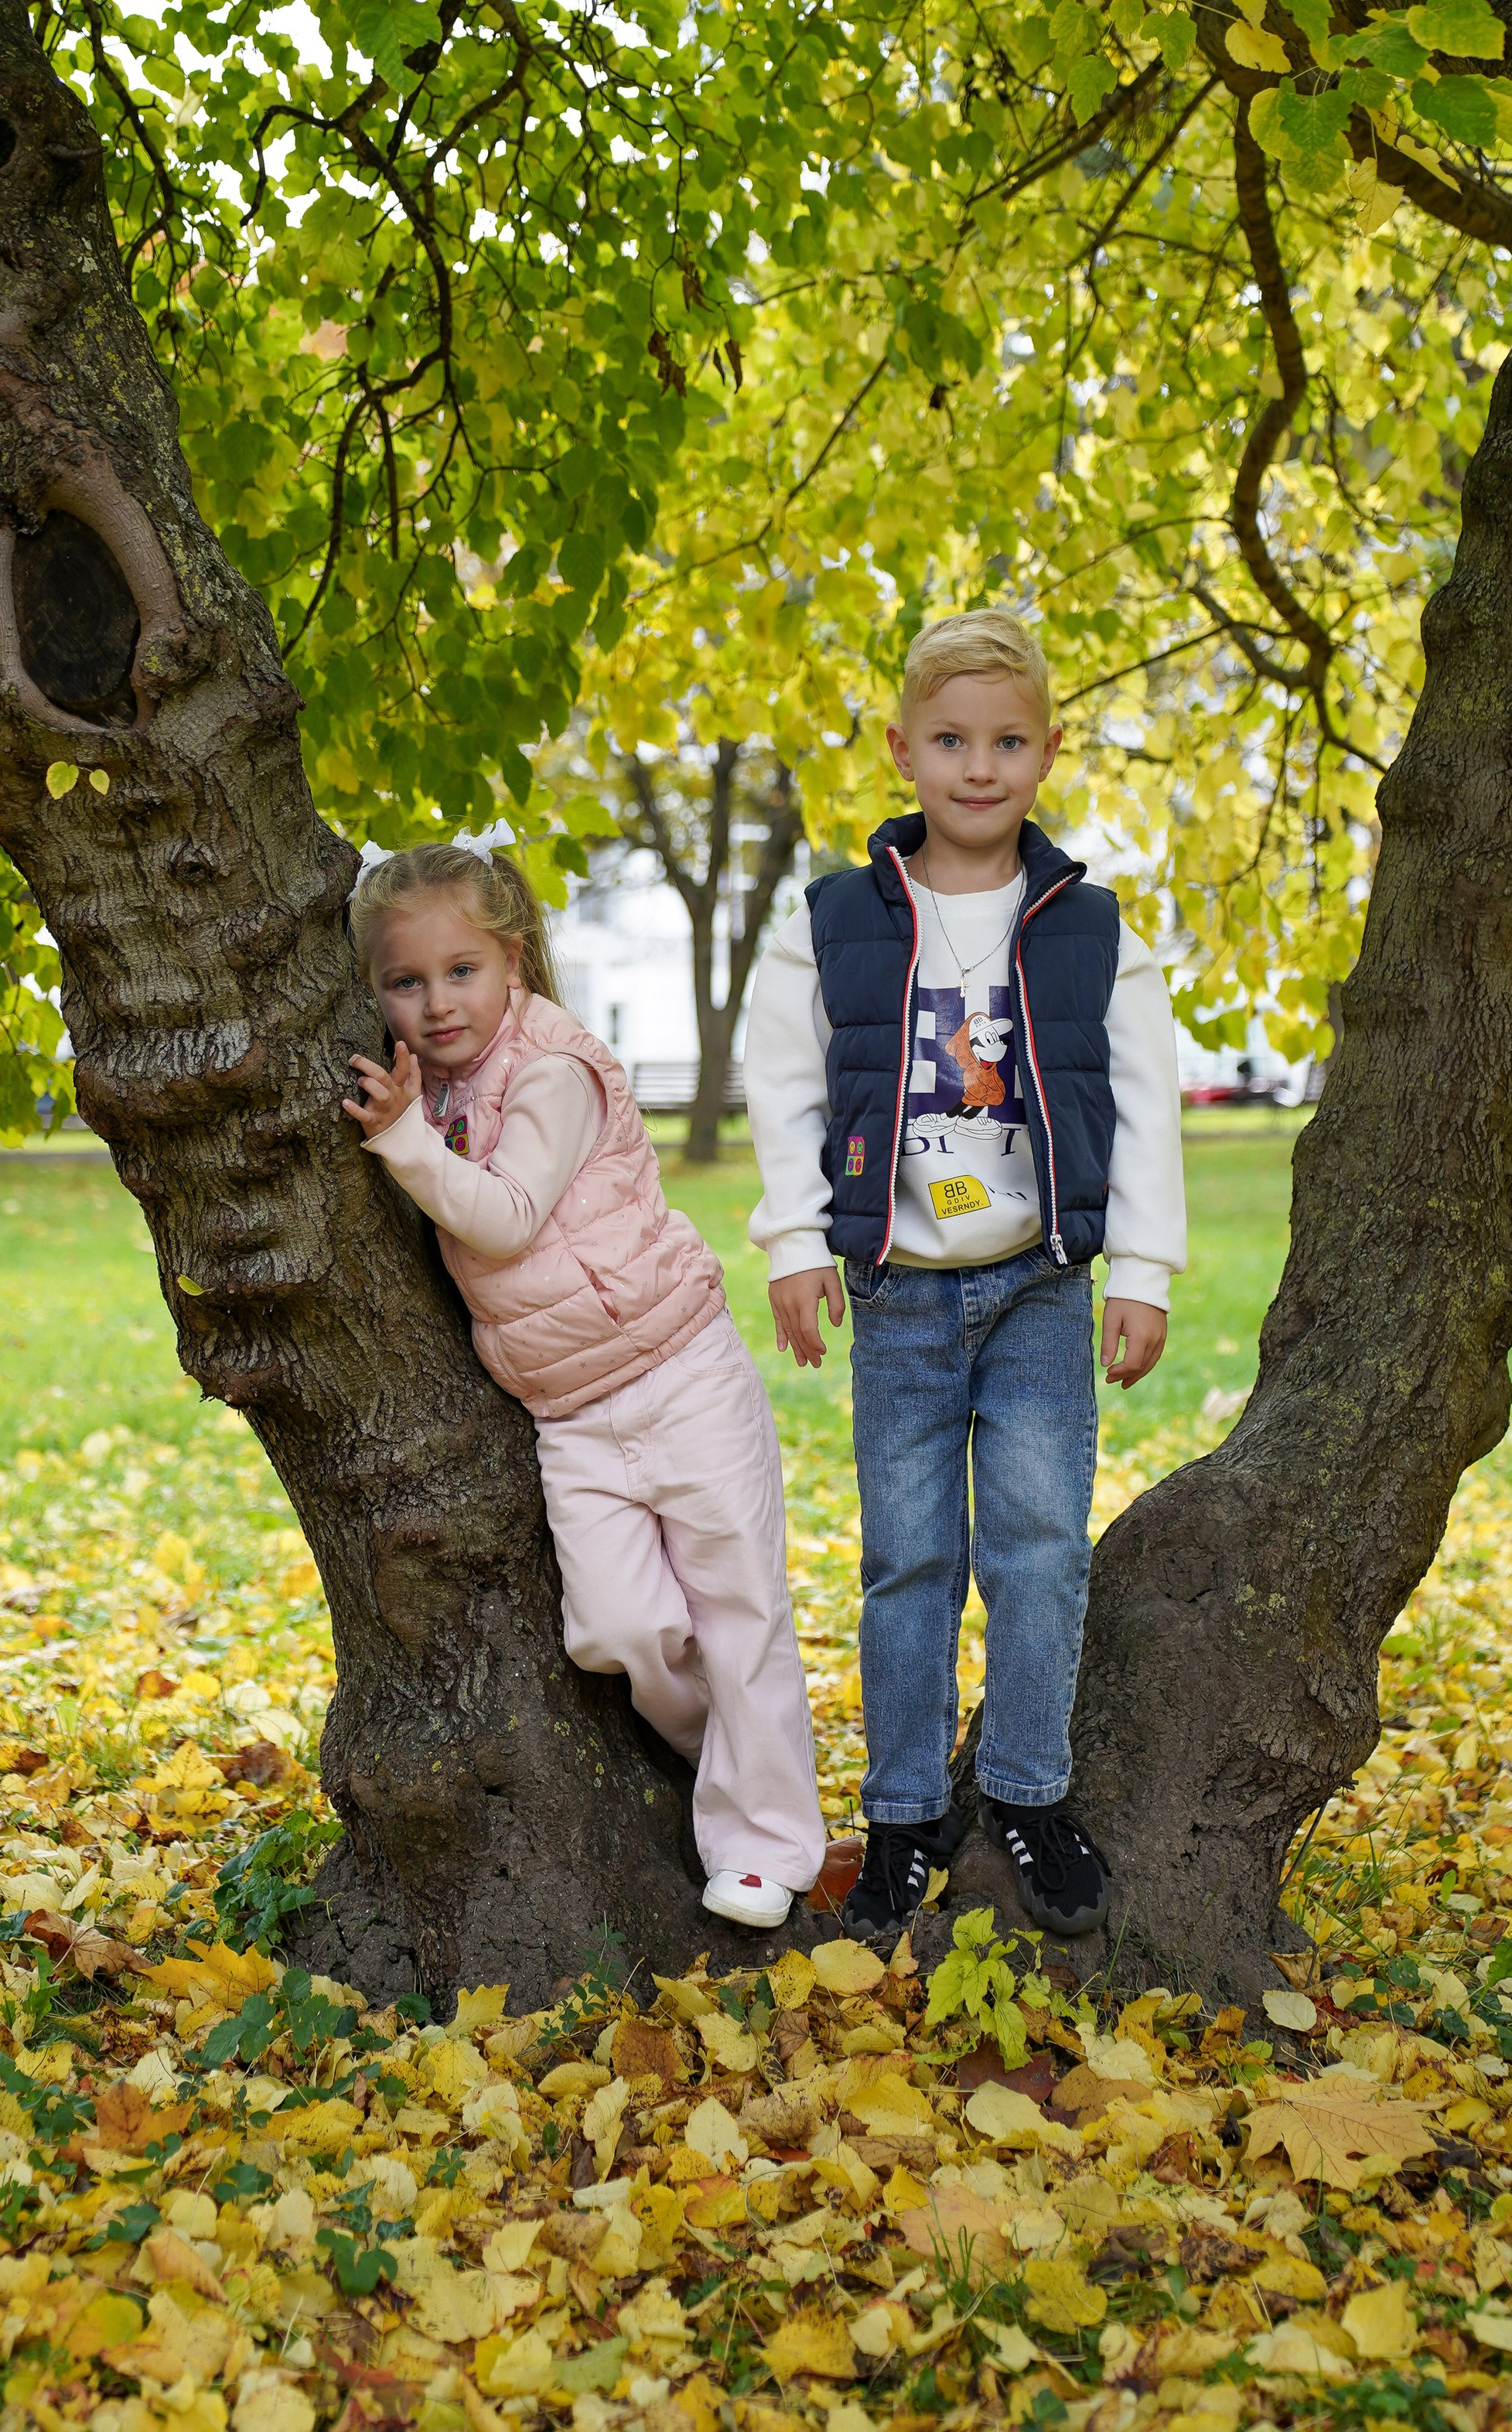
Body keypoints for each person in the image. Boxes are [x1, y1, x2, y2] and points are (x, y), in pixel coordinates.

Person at [743, 610, 1186, 1946]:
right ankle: (899, 1814)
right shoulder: (833, 922)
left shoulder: (1091, 927)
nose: (978, 767)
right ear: (902, 750)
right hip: (899, 1301)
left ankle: (1028, 1794)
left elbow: (1150, 1102)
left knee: (1041, 1555)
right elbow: (781, 1086)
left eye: (1006, 741)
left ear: (1048, 752)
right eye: (949, 740)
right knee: (909, 1561)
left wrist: (1145, 1270)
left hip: (1042, 1288)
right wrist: (789, 1242)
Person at [341, 842, 825, 1931]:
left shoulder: (553, 1068)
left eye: (461, 971)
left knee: (739, 1610)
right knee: (614, 1633)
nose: (435, 1003)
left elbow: (507, 1219)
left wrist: (406, 1144)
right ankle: (741, 1759)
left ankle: (768, 1845)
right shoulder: (447, 1083)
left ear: (512, 960)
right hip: (570, 1416)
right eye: (404, 982)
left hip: (680, 1372)